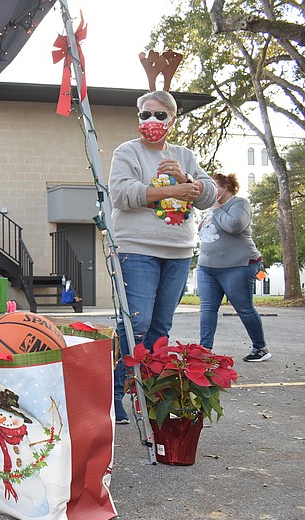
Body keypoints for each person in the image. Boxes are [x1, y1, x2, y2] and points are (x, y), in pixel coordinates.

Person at [108, 90, 217, 424]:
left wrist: (187, 180)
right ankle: (112, 394)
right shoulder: (127, 152)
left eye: (159, 115)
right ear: (138, 119)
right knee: (135, 323)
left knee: (160, 328)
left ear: (172, 119)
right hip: (136, 248)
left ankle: (152, 396)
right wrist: (171, 191)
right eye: (145, 115)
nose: (151, 122)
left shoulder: (185, 155)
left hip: (179, 252)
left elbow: (208, 194)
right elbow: (121, 193)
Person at [197, 173, 270, 362]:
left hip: (237, 266)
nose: (211, 192)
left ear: (226, 187)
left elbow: (235, 225)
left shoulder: (240, 204)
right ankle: (205, 350)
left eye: (214, 188)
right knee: (207, 309)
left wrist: (216, 208)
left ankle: (260, 348)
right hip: (207, 267)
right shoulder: (209, 209)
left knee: (244, 308)